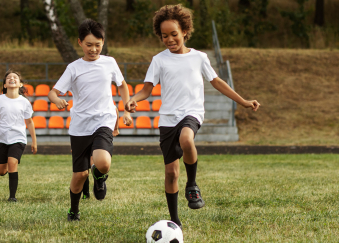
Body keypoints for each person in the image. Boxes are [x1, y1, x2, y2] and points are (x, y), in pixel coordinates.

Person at [125, 4, 260, 228]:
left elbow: (217, 82)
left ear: (185, 31)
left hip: (192, 113)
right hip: (168, 119)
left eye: (174, 34)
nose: (169, 39)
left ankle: (193, 185)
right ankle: (175, 220)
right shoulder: (159, 60)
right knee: (170, 174)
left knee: (187, 139)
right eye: (164, 35)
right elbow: (147, 89)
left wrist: (243, 101)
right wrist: (133, 99)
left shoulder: (199, 58)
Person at [48, 19, 132, 221]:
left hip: (104, 119)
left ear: (103, 42)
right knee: (80, 175)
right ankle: (73, 211)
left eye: (98, 44)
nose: (93, 49)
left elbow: (122, 85)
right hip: (80, 125)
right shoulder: (73, 68)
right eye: (89, 45)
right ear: (79, 43)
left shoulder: (110, 62)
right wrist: (58, 100)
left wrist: (126, 107)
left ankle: (100, 177)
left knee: (103, 163)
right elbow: (53, 92)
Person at [0, 70, 38, 202]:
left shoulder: (25, 102)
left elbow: (29, 122)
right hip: (2, 138)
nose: (12, 79)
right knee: (1, 170)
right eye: (8, 78)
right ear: (4, 85)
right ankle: (7, 167)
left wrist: (34, 141)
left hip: (18, 138)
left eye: (15, 77)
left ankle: (12, 197)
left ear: (20, 84)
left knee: (12, 162)